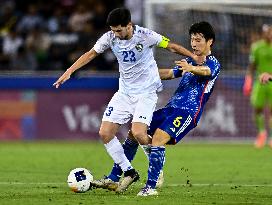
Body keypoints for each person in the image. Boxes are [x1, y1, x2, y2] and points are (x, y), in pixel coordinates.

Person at [53, 8, 203, 193]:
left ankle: (156, 168)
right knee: (105, 133)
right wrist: (69, 71)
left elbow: (171, 46)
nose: (115, 34)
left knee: (139, 133)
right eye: (113, 30)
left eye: (119, 30)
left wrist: (193, 58)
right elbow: (91, 54)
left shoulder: (146, 35)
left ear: (129, 25)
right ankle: (129, 172)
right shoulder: (109, 37)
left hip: (146, 93)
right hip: (124, 93)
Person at [91, 21, 220, 196]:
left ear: (209, 41)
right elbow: (170, 74)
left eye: (198, 40)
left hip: (188, 112)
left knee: (158, 138)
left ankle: (150, 187)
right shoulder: (188, 61)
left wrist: (191, 68)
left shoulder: (213, 63)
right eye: (192, 40)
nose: (194, 44)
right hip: (171, 108)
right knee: (134, 133)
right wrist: (144, 71)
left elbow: (206, 72)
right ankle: (114, 177)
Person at [243, 24, 272, 148]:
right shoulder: (256, 47)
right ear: (262, 34)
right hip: (260, 83)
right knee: (257, 109)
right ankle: (261, 133)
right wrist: (248, 81)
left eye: (271, 32)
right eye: (267, 32)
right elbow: (251, 67)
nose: (269, 34)